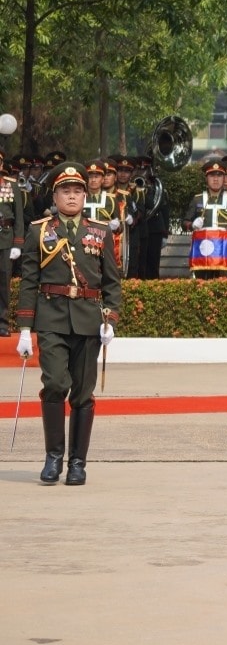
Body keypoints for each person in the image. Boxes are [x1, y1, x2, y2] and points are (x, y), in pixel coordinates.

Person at [16, 162, 122, 486]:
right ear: (56, 195)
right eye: (66, 190)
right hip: (51, 319)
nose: (72, 196)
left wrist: (111, 319)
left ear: (85, 196)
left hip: (89, 321)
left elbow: (112, 283)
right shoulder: (40, 231)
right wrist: (23, 329)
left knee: (82, 393)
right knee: (55, 385)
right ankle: (53, 457)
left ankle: (78, 462)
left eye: (78, 191)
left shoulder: (100, 232)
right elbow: (29, 281)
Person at [0, 152, 26, 336]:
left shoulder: (12, 185)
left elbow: (19, 218)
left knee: (3, 283)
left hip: (5, 239)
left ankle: (2, 322)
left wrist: (18, 243)